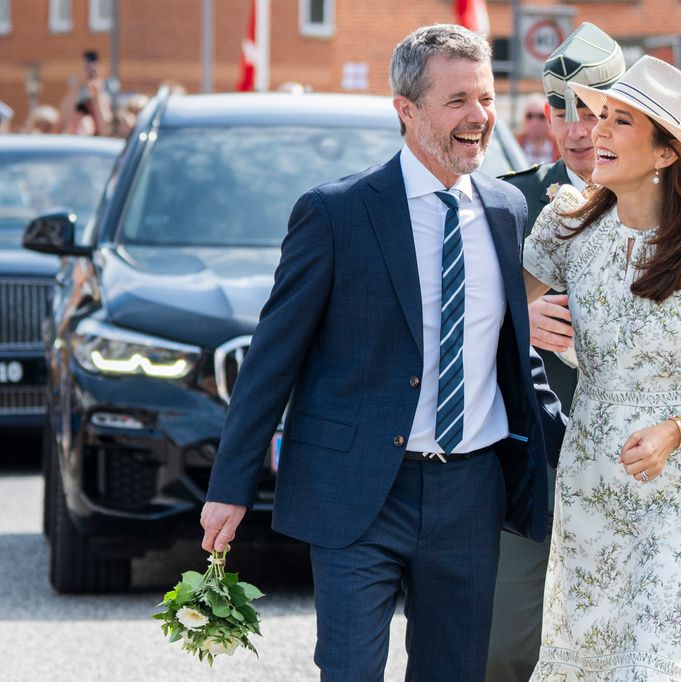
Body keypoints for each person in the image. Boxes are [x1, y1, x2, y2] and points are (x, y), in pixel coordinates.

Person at [199, 24, 565, 681]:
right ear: (407, 109)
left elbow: (512, 358)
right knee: (349, 670)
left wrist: (576, 460)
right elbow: (272, 359)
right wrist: (229, 487)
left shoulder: (508, 209)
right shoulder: (336, 213)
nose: (478, 117)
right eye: (457, 101)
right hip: (358, 488)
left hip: (470, 492)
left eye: (484, 99)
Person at [523, 55, 681, 680]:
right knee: (582, 660)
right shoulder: (566, 225)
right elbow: (492, 312)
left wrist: (675, 431)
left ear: (666, 153)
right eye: (598, 116)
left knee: (656, 663)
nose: (596, 131)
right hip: (589, 473)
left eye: (620, 121)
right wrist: (521, 321)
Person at [488, 22, 625, 682]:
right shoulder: (507, 201)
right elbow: (445, 320)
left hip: (629, 455)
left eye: (593, 112)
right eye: (560, 109)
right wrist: (517, 316)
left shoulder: (667, 208)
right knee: (506, 646)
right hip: (528, 455)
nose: (575, 129)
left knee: (615, 641)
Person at [517, 93, 560, 166]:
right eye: (529, 116)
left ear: (549, 119)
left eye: (541, 116)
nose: (535, 122)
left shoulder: (560, 147)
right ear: (523, 119)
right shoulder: (514, 145)